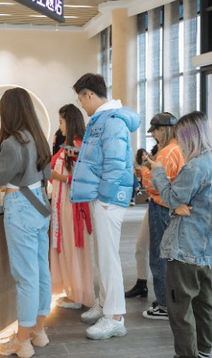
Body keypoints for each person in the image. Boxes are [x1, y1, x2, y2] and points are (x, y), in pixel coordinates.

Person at [0, 87, 52, 358]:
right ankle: (38, 332)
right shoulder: (39, 138)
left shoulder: (12, 143)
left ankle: (22, 341)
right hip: (40, 204)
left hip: (20, 205)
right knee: (41, 272)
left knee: (26, 277)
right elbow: (45, 173)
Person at [147, 111, 212, 358]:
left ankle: (186, 354)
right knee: (204, 304)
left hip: (186, 248)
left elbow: (172, 198)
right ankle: (203, 350)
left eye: (180, 137)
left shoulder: (194, 167)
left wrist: (158, 172)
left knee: (179, 307)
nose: (178, 142)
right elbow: (181, 202)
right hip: (206, 247)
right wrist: (177, 205)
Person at [70, 73, 140, 340]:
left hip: (108, 199)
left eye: (80, 99)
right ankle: (105, 304)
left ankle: (115, 316)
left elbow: (115, 163)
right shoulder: (103, 119)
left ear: (89, 94)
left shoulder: (111, 121)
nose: (81, 105)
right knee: (103, 254)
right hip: (102, 196)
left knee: (108, 257)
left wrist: (106, 197)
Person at [140, 112, 185, 320]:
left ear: (162, 130)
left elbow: (154, 186)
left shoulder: (166, 153)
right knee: (170, 255)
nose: (154, 135)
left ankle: (164, 304)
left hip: (161, 206)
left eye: (155, 131)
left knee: (159, 256)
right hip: (174, 207)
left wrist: (144, 170)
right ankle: (171, 301)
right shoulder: (180, 149)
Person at [49, 104, 95, 310]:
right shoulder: (68, 146)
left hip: (72, 206)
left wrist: (60, 178)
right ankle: (72, 291)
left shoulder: (78, 146)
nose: (60, 127)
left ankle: (77, 294)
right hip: (63, 204)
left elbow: (84, 178)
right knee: (67, 247)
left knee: (73, 248)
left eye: (61, 122)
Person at [125, 148, 151, 299]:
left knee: (159, 252)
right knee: (141, 245)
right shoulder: (160, 151)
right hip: (155, 204)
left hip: (162, 205)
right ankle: (142, 283)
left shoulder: (169, 152)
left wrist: (145, 172)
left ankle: (164, 298)